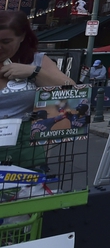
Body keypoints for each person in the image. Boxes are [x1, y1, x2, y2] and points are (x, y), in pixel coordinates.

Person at [0, 11, 74, 169]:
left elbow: (73, 91)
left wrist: (34, 72)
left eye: (6, 41)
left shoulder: (37, 60)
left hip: (24, 151)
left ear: (22, 37)